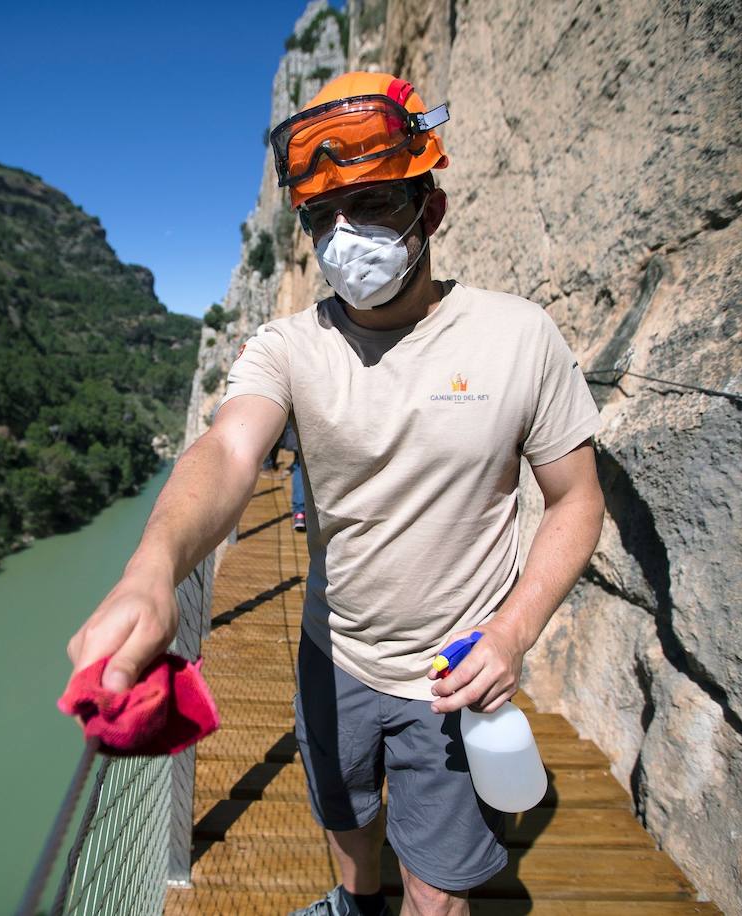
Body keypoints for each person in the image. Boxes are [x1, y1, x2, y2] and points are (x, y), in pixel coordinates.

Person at [65, 71, 605, 916]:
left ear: (432, 209)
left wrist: (514, 631)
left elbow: (577, 499)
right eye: (323, 216)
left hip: (456, 673)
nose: (347, 235)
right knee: (346, 815)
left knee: (440, 890)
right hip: (334, 655)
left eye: (377, 203)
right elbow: (227, 450)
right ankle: (356, 905)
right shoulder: (288, 348)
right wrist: (152, 566)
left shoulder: (519, 337)